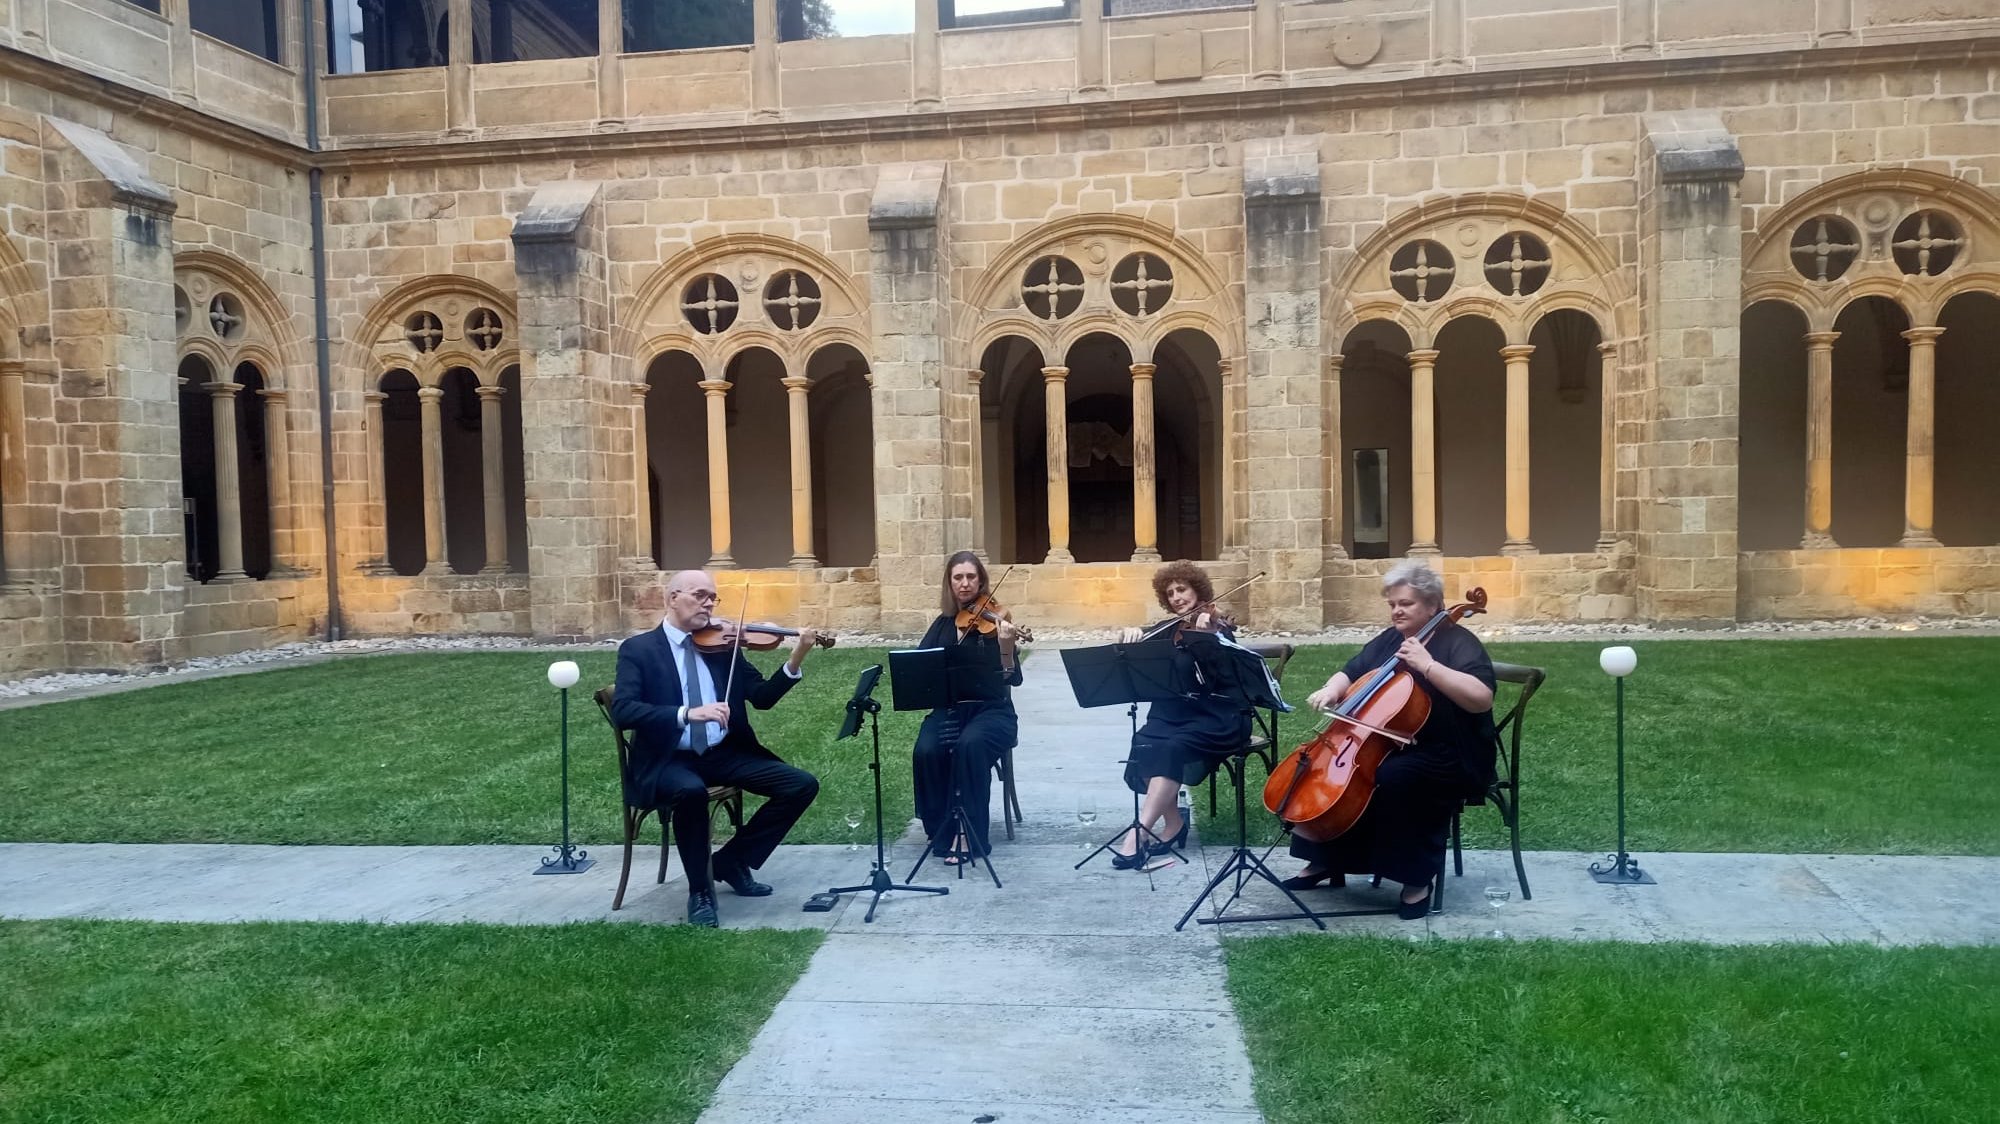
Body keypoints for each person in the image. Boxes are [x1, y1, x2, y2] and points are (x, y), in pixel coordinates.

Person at [1283, 560, 1496, 919]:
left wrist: (1427, 664)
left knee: (1394, 778)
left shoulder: (1458, 642)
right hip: (1394, 743)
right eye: (1393, 604)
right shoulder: (1390, 640)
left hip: (1451, 751)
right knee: (1345, 776)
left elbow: (1481, 697)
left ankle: (1416, 879)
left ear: (1432, 604)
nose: (1397, 610)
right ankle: (1325, 861)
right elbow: (1352, 670)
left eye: (1406, 603)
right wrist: (1331, 688)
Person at [611, 569, 824, 927]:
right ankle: (700, 892)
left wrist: (797, 655)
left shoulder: (723, 647)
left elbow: (763, 698)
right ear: (672, 598)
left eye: (713, 597)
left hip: (721, 754)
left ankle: (731, 860)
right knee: (691, 792)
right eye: (699, 595)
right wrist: (686, 713)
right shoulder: (640, 650)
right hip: (668, 759)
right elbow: (624, 710)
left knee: (800, 784)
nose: (709, 603)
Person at [1107, 560, 1252, 870]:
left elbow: (1219, 680)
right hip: (1177, 713)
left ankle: (1139, 831)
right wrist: (1131, 632)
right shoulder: (1169, 629)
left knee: (1171, 747)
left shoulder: (1217, 627)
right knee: (1145, 741)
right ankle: (1173, 824)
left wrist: (1207, 641)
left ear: (1197, 589)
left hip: (1218, 715)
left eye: (1181, 589)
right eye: (1170, 592)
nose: (1176, 597)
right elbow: (1144, 648)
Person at [910, 551, 1023, 863]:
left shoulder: (996, 624)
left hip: (992, 712)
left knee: (969, 745)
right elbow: (920, 669)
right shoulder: (942, 625)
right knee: (927, 750)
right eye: (958, 577)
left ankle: (969, 833)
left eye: (971, 577)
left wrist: (1006, 649)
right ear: (950, 583)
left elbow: (1012, 680)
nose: (965, 584)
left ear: (982, 581)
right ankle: (940, 829)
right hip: (949, 710)